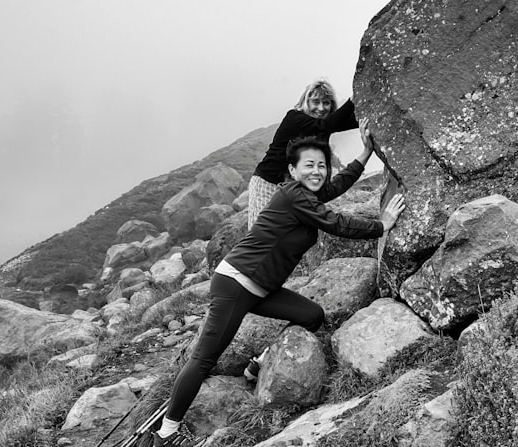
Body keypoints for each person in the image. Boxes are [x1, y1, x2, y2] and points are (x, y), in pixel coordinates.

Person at [153, 121, 405, 447]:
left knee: (312, 315)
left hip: (260, 288)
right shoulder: (295, 194)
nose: (317, 171)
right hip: (236, 285)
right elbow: (335, 222)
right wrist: (381, 225)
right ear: (292, 169)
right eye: (309, 166)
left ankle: (257, 364)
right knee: (203, 359)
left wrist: (366, 152)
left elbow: (336, 186)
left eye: (321, 166)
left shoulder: (307, 194)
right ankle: (166, 433)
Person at [249, 79, 359, 229]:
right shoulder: (295, 118)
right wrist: (353, 99)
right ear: (306, 102)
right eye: (316, 102)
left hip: (292, 189)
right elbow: (329, 125)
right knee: (261, 234)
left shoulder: (320, 125)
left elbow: (346, 122)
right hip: (269, 184)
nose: (321, 108)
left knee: (285, 237)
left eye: (326, 103)